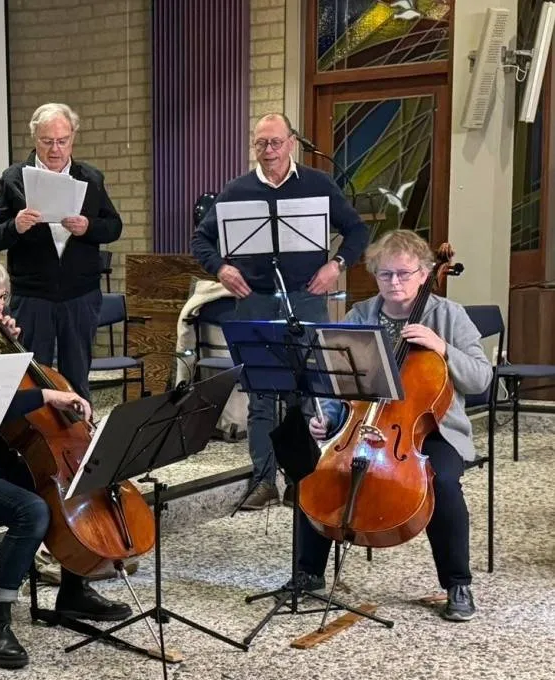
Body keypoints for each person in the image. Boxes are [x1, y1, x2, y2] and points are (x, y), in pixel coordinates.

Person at [0, 251, 131, 669]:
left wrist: (10, 348)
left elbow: (17, 401)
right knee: (31, 510)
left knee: (77, 485)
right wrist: (47, 394)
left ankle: (73, 591)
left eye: (3, 297)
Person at [290, 230, 490, 622]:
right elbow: (335, 380)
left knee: (443, 483)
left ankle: (457, 583)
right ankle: (308, 572)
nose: (394, 282)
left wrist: (442, 347)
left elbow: (481, 378)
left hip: (430, 430)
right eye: (385, 274)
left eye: (403, 273)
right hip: (362, 422)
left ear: (424, 274)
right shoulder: (360, 316)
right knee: (316, 471)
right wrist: (326, 417)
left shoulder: (449, 316)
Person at [191, 112, 368, 510]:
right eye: (260, 143)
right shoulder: (237, 190)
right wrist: (221, 269)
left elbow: (357, 230)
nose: (268, 150)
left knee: (307, 391)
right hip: (254, 300)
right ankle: (263, 480)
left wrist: (336, 265)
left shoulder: (317, 184)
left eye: (275, 142)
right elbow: (201, 240)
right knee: (260, 393)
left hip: (306, 297)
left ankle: (302, 479)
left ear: (291, 143)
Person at [0, 102, 122, 401]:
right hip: (33, 296)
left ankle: (80, 427)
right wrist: (15, 226)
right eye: (47, 141)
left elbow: (114, 227)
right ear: (35, 138)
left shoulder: (91, 178)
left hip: (80, 294)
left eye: (62, 141)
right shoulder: (13, 178)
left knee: (77, 377)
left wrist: (88, 227)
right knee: (35, 378)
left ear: (73, 137)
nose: (55, 149)